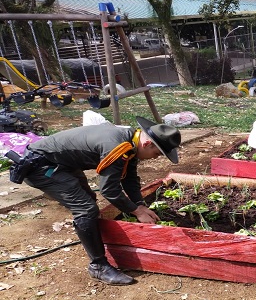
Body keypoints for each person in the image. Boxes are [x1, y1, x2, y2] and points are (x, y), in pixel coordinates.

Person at [19, 117, 181, 285]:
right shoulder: (117, 147)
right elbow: (109, 190)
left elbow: (130, 178)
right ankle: (98, 266)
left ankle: (91, 237)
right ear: (147, 144)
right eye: (157, 154)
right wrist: (136, 211)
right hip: (41, 167)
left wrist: (139, 204)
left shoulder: (131, 141)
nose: (155, 158)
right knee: (85, 208)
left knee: (88, 200)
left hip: (62, 164)